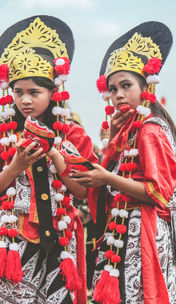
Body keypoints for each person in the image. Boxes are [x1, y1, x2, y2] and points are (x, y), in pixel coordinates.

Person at [0, 15, 97, 304]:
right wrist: (16, 167)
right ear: (10, 93)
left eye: (34, 92)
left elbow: (83, 191)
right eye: (18, 92)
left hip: (60, 240)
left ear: (53, 93)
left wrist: (55, 152)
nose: (25, 100)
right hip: (8, 241)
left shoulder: (74, 135)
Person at [70, 21, 176, 304]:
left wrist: (106, 178)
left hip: (144, 235)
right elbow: (115, 174)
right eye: (112, 89)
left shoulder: (150, 130)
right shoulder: (131, 130)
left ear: (145, 86)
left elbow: (158, 192)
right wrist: (115, 138)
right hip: (123, 231)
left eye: (126, 86)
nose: (117, 95)